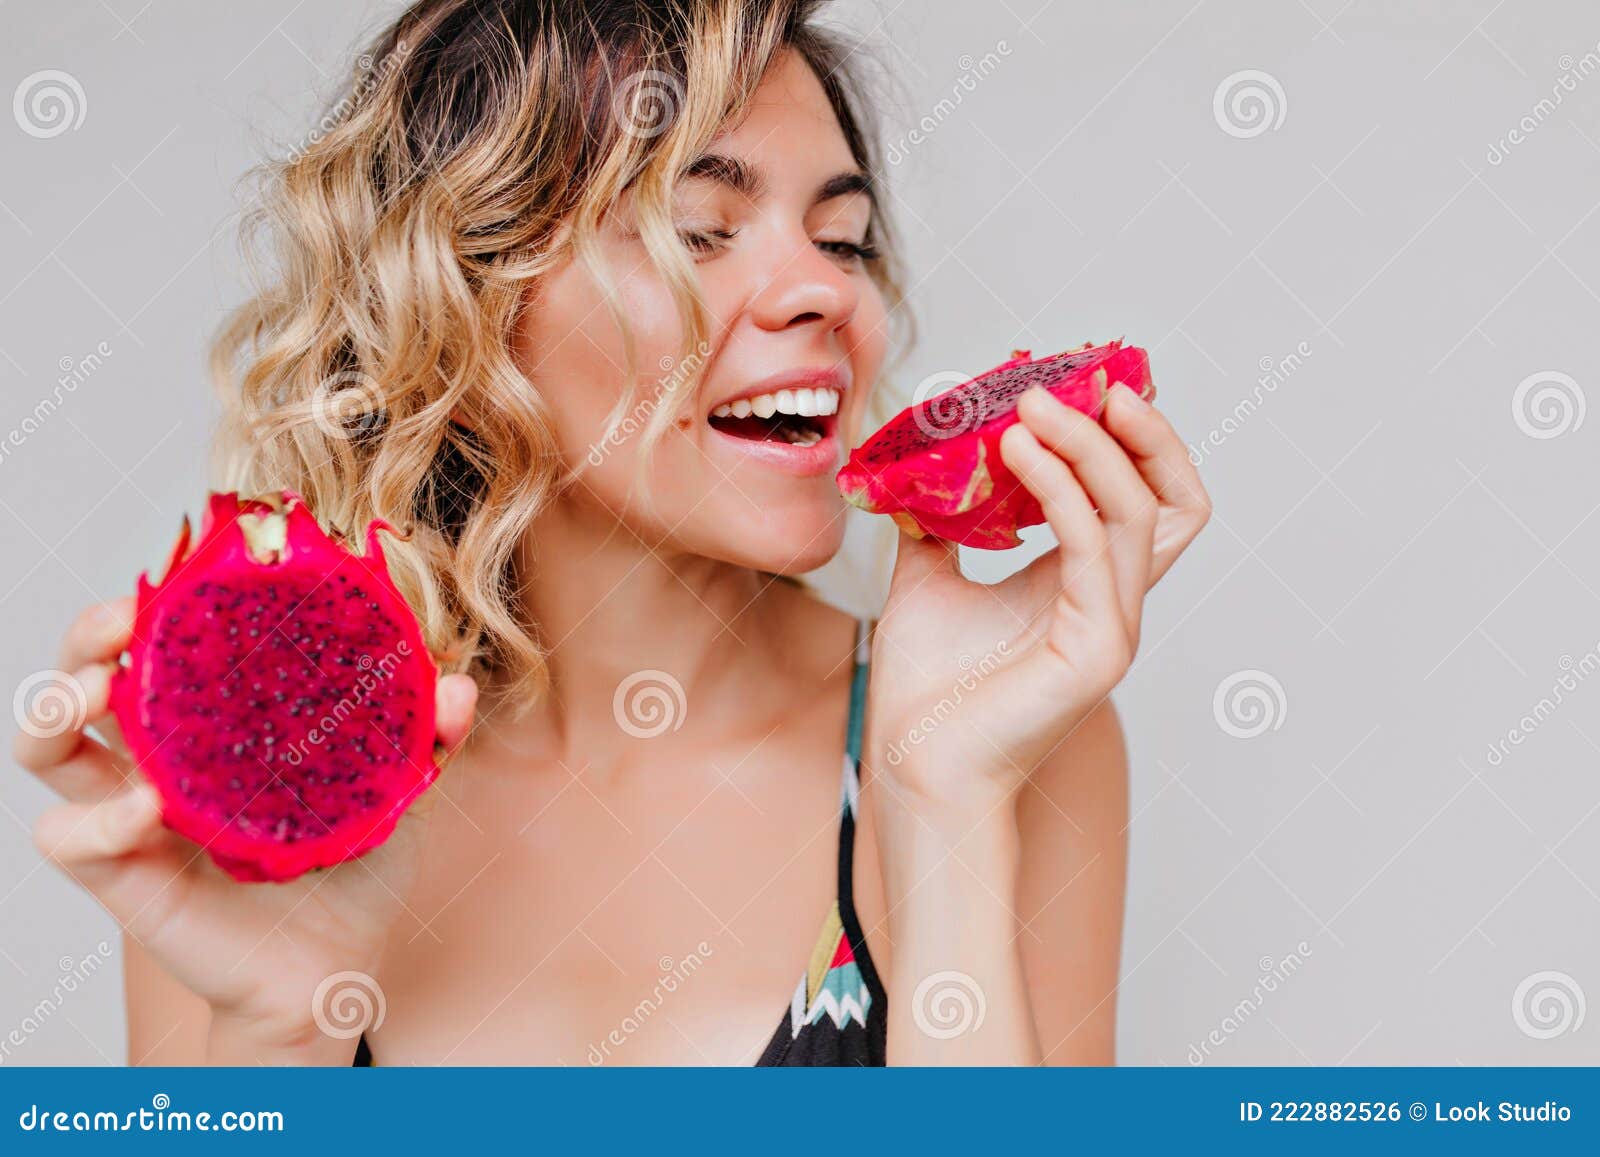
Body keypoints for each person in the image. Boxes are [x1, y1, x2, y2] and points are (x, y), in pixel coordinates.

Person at [16, 0, 1210, 1066]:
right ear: (467, 307)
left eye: (841, 239)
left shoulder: (1011, 741)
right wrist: (274, 1039)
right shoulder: (278, 782)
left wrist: (939, 797)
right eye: (698, 226)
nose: (828, 293)